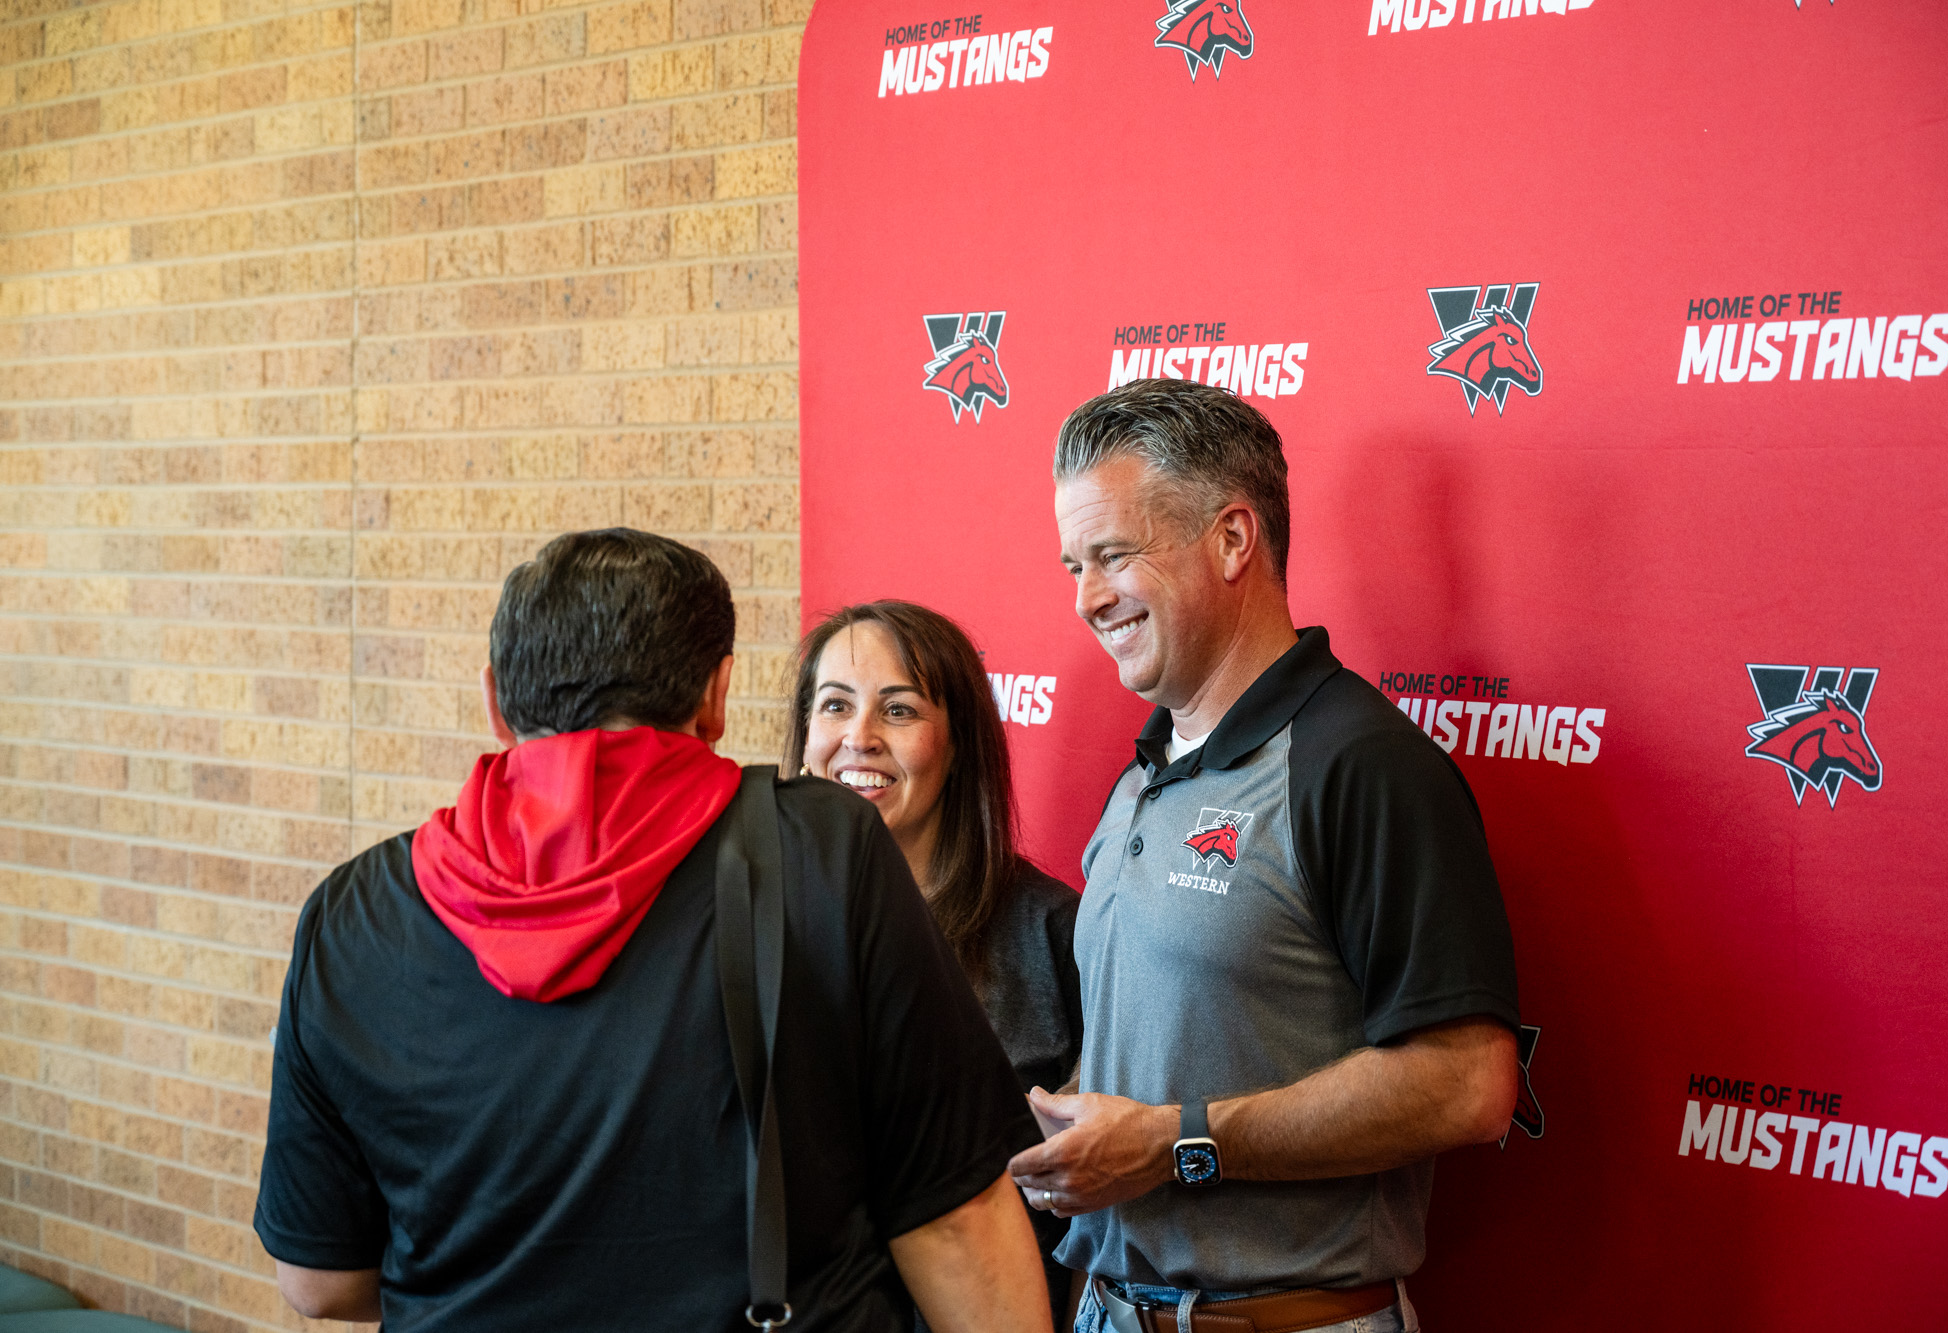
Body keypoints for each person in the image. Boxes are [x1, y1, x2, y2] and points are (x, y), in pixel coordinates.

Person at [253, 529, 1053, 1333]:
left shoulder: (349, 913)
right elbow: (956, 1223)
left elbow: (320, 1280)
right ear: (716, 692)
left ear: (496, 701)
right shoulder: (822, 850)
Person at [1007, 382, 1521, 1333]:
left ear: (1234, 539)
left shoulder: (1359, 764)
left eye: (1114, 555)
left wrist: (1175, 1144)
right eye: (1074, 564)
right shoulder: (1143, 772)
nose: (1085, 598)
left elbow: (1470, 1083)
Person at [787, 601, 1085, 1326]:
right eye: (835, 705)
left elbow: (1095, 1209)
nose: (858, 738)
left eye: (899, 710)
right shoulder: (750, 920)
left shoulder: (1052, 931)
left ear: (959, 744)